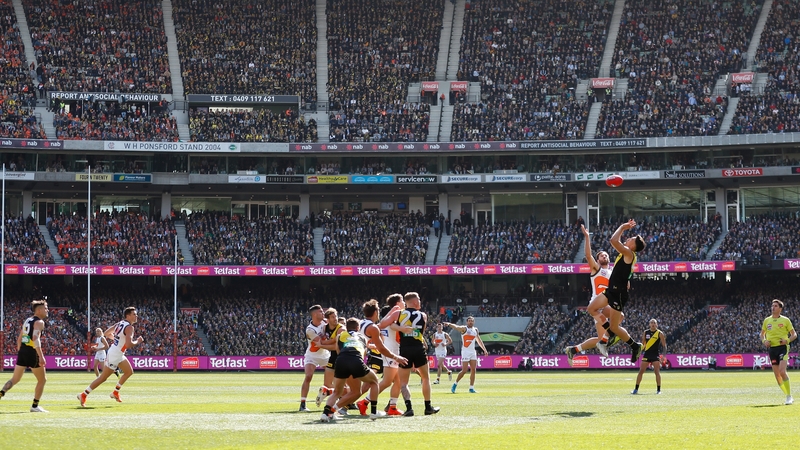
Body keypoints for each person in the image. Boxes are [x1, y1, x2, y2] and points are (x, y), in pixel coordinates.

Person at [320, 314, 407, 422]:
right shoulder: (363, 338)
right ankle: (374, 412)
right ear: (358, 328)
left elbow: (338, 351)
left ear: (347, 327)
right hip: (355, 360)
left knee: (338, 392)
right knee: (374, 381)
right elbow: (363, 354)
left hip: (341, 361)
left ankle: (326, 413)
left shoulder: (340, 336)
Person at [587, 219, 645, 362]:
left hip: (618, 294)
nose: (628, 238)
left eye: (631, 239)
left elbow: (613, 240)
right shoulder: (628, 255)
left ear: (633, 246)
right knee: (591, 308)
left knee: (614, 325)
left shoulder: (629, 253)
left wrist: (622, 227)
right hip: (611, 290)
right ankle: (610, 333)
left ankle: (634, 346)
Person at [566, 224, 625, 365]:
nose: (604, 256)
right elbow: (588, 255)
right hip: (597, 304)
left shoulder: (612, 273)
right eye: (601, 255)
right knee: (620, 316)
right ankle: (608, 336)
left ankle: (573, 350)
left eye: (606, 254)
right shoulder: (596, 269)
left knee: (601, 340)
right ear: (598, 260)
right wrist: (587, 237)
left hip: (606, 304)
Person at [78, 307, 144, 407]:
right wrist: (138, 341)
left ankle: (115, 392)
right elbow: (129, 344)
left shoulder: (120, 323)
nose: (136, 316)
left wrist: (117, 340)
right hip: (116, 354)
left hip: (117, 352)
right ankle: (83, 394)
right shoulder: (129, 328)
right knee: (103, 378)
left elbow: (106, 333)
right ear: (128, 316)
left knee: (129, 372)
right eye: (134, 314)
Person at [0, 299, 49, 412]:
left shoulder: (27, 320)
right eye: (45, 308)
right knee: (42, 380)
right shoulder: (39, 322)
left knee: (14, 379)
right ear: (39, 310)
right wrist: (41, 356)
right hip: (32, 352)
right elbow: (35, 339)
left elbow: (19, 338)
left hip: (23, 351)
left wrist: (21, 351)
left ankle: (1, 393)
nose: (47, 310)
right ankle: (35, 406)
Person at [397, 292, 440, 416]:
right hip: (418, 347)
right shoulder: (423, 315)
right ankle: (428, 407)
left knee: (403, 382)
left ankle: (409, 408)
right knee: (425, 378)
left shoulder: (399, 314)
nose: (420, 301)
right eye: (419, 299)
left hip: (404, 349)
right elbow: (422, 332)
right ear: (414, 301)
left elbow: (391, 324)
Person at [760, 299, 796, 405]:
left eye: (775, 306)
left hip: (782, 348)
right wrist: (764, 341)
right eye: (772, 306)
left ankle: (789, 396)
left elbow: (794, 334)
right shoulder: (767, 320)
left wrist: (787, 340)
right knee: (777, 376)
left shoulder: (785, 320)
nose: (773, 307)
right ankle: (788, 395)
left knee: (782, 371)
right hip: (772, 349)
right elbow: (762, 334)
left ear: (780, 309)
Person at [299, 305, 329, 412]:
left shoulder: (326, 322)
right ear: (315, 314)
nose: (323, 313)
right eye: (321, 312)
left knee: (335, 377)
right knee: (308, 376)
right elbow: (320, 342)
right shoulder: (310, 330)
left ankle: (342, 401)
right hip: (312, 355)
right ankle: (302, 404)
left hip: (325, 354)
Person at [447, 317, 488, 393]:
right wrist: (449, 324)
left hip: (472, 352)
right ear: (467, 322)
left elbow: (479, 340)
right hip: (465, 352)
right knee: (464, 370)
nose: (471, 322)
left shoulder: (475, 330)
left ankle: (471, 387)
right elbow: (456, 327)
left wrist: (484, 350)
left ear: (474, 322)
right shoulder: (464, 329)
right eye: (469, 321)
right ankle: (455, 384)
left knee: (473, 370)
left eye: (472, 321)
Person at [315, 308, 344, 408]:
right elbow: (324, 340)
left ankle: (344, 399)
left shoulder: (341, 329)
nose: (335, 318)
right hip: (332, 357)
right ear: (327, 319)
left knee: (345, 385)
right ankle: (329, 392)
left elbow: (336, 345)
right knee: (327, 383)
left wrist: (322, 345)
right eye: (332, 317)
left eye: (336, 316)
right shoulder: (325, 328)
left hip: (342, 357)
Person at [632, 319, 668, 394]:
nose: (653, 324)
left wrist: (663, 356)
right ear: (649, 324)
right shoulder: (646, 332)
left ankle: (658, 390)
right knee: (641, 371)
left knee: (657, 372)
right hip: (647, 354)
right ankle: (636, 389)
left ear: (657, 325)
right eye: (651, 323)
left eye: (654, 323)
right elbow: (643, 344)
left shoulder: (659, 333)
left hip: (655, 355)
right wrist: (639, 352)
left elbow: (664, 345)